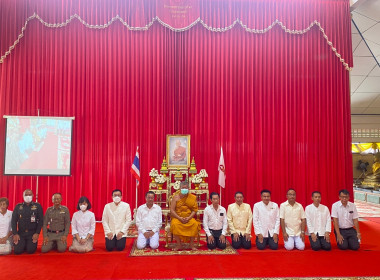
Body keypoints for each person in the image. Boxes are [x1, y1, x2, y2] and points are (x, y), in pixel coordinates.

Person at [170, 181, 200, 251]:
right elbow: (172, 210)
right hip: (178, 217)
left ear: (188, 188)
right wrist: (179, 218)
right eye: (183, 188)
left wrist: (189, 218)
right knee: (174, 224)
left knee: (195, 224)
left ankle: (191, 244)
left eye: (186, 188)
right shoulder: (176, 197)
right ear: (180, 188)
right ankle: (179, 245)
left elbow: (194, 210)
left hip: (188, 217)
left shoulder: (192, 197)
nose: (184, 189)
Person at [12, 189, 43, 254]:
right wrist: (15, 233)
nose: (28, 196)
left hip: (32, 234)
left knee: (30, 251)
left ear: (33, 195)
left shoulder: (37, 206)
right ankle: (23, 244)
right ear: (23, 196)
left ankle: (26, 244)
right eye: (26, 195)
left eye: (30, 194)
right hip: (21, 233)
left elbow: (40, 221)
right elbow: (13, 221)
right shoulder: (18, 206)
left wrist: (37, 233)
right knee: (17, 251)